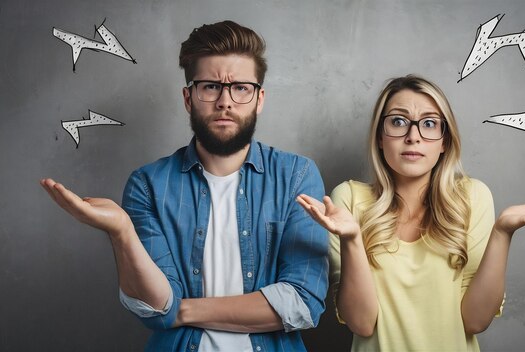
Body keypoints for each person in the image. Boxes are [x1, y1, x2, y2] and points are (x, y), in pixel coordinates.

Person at [40, 20, 328, 352]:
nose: (225, 101)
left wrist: (183, 309)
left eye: (241, 88)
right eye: (209, 86)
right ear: (188, 98)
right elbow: (156, 307)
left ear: (259, 99)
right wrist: (122, 233)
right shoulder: (148, 184)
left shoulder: (296, 176)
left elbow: (302, 302)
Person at [296, 75, 525, 351]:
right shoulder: (349, 199)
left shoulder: (472, 197)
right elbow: (362, 324)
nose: (413, 137)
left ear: (444, 141)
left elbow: (476, 321)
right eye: (398, 121)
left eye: (429, 124)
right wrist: (352, 239)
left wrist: (503, 233)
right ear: (380, 137)